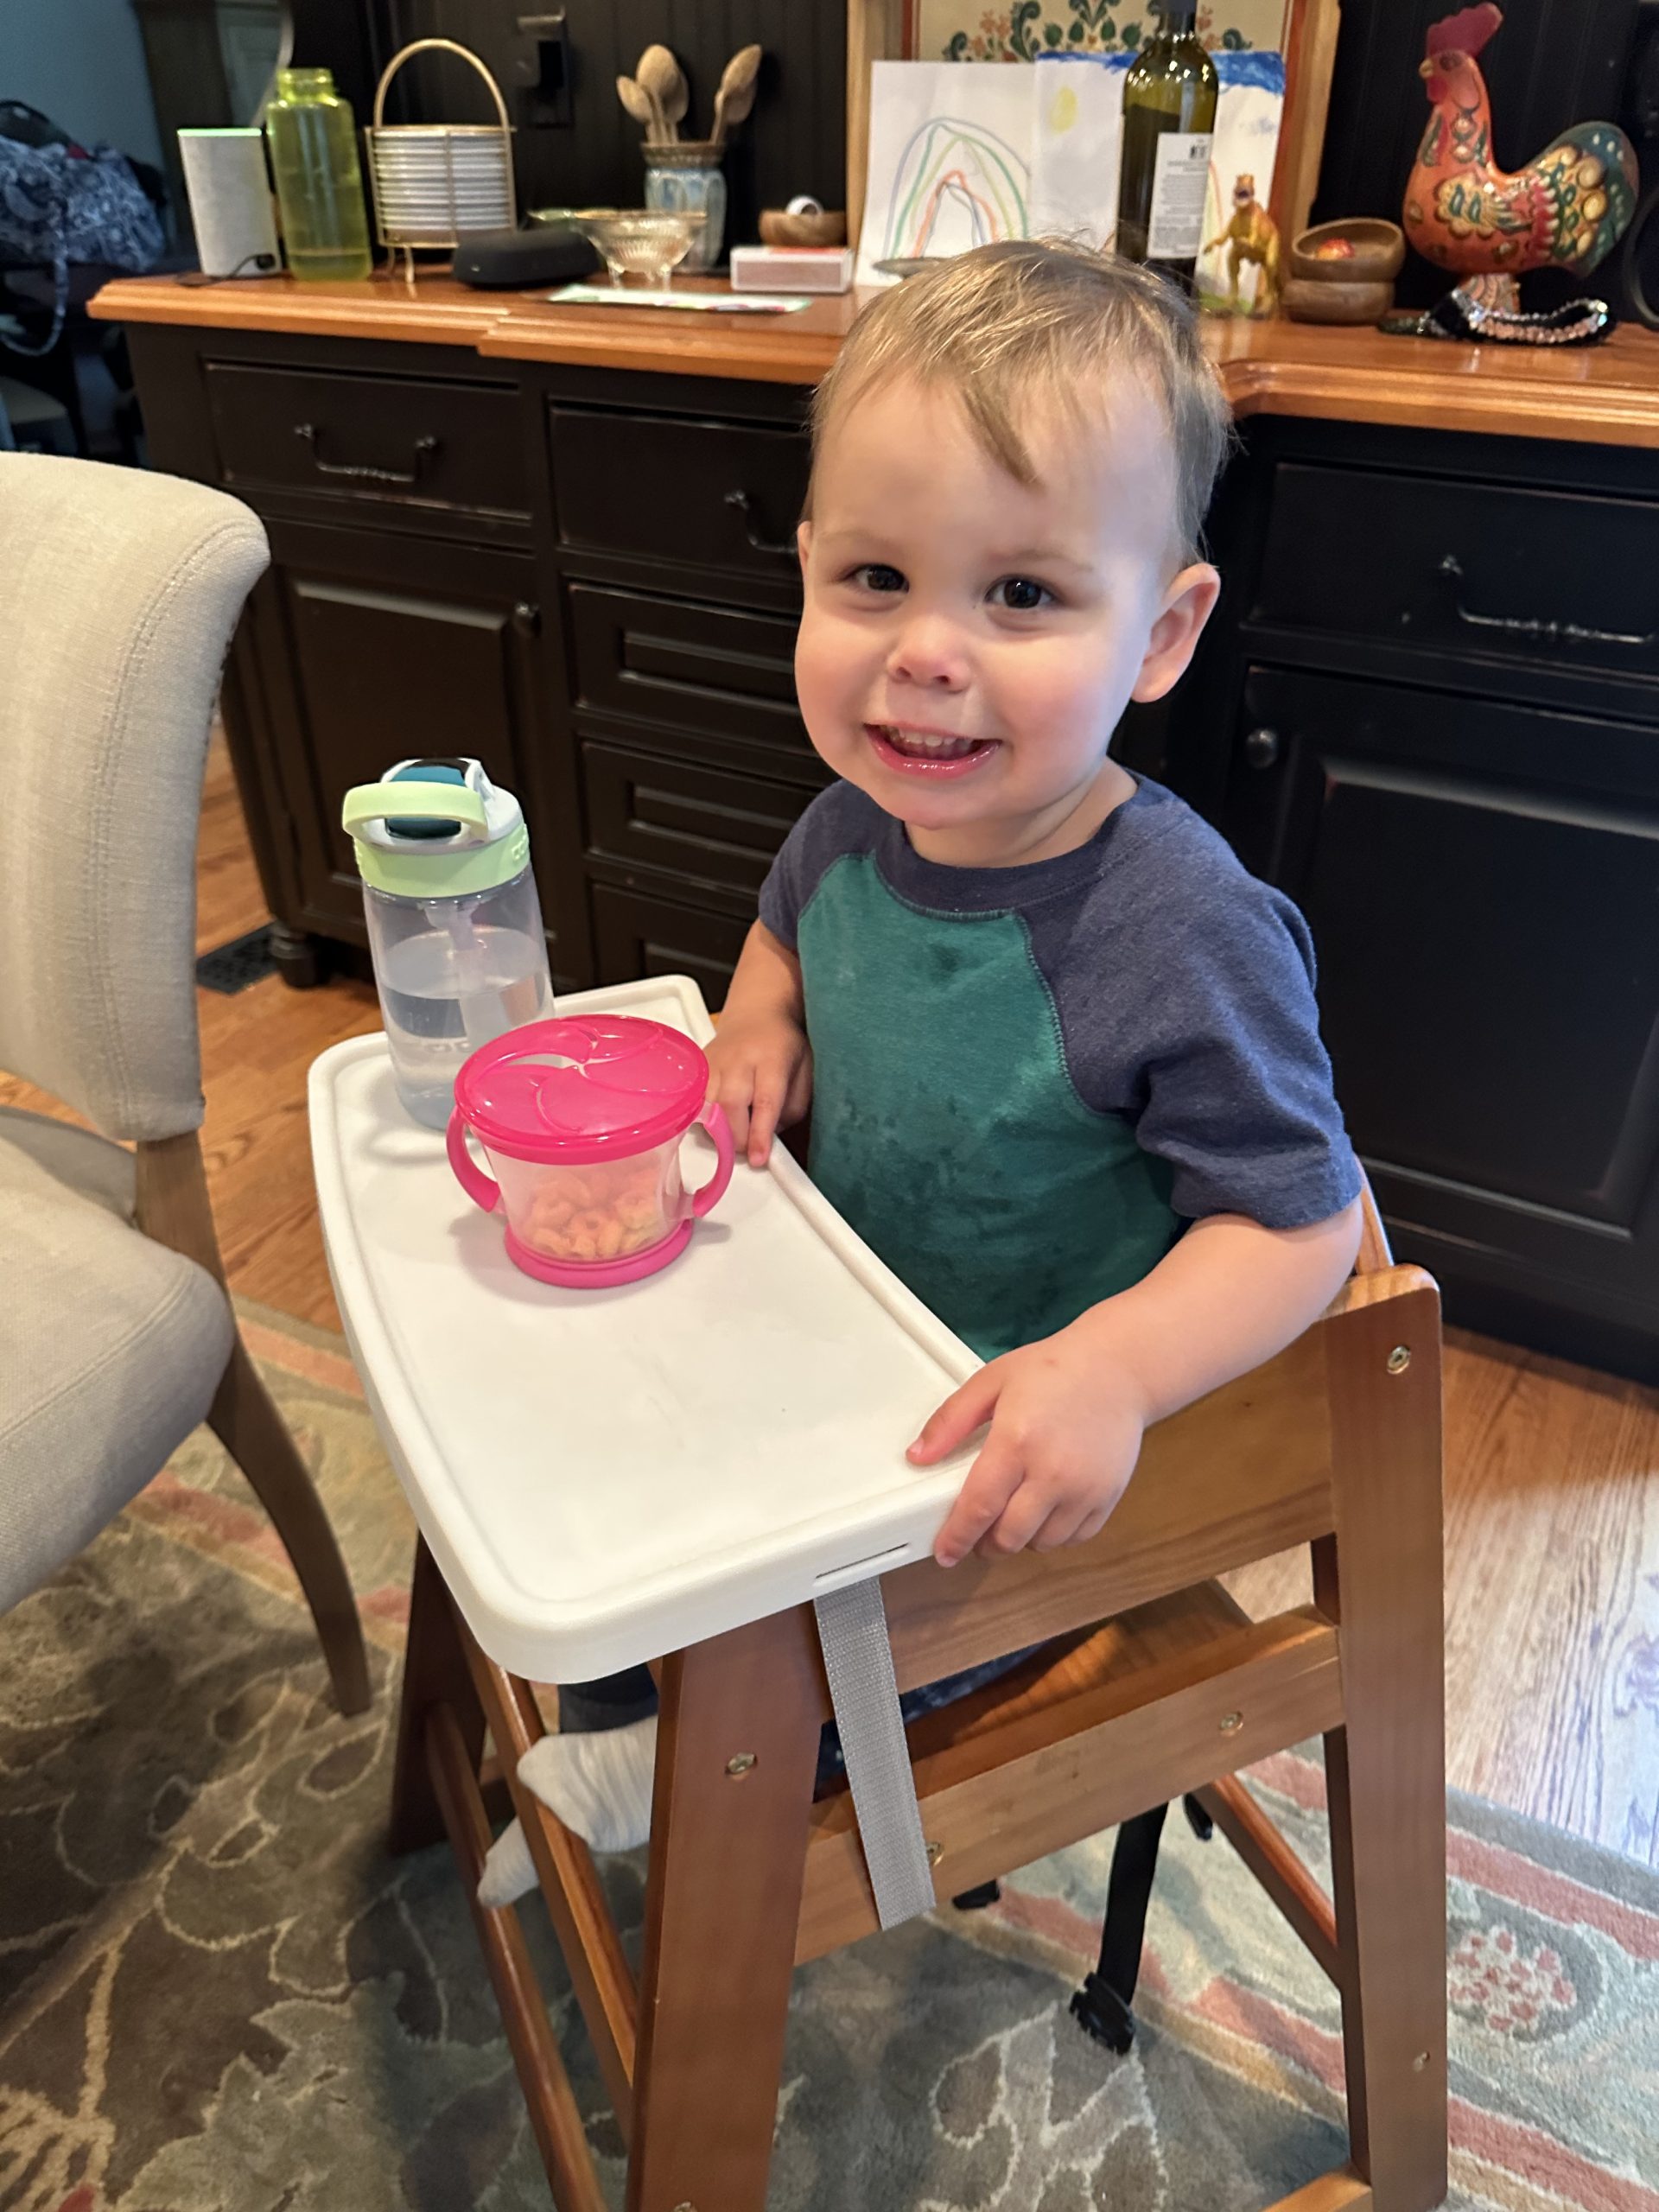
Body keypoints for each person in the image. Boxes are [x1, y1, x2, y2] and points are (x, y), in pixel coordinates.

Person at [479, 238, 1362, 1894]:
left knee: (842, 1626)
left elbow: (1306, 1225)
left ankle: (688, 1762)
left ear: (1163, 636)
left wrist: (1110, 1368)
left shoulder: (1179, 927)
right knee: (587, 1461)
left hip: (1024, 1453)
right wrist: (762, 1024)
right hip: (843, 1332)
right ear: (806, 569)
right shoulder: (854, 823)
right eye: (876, 580)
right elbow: (788, 924)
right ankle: (636, 1662)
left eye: (1021, 594)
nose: (926, 650)